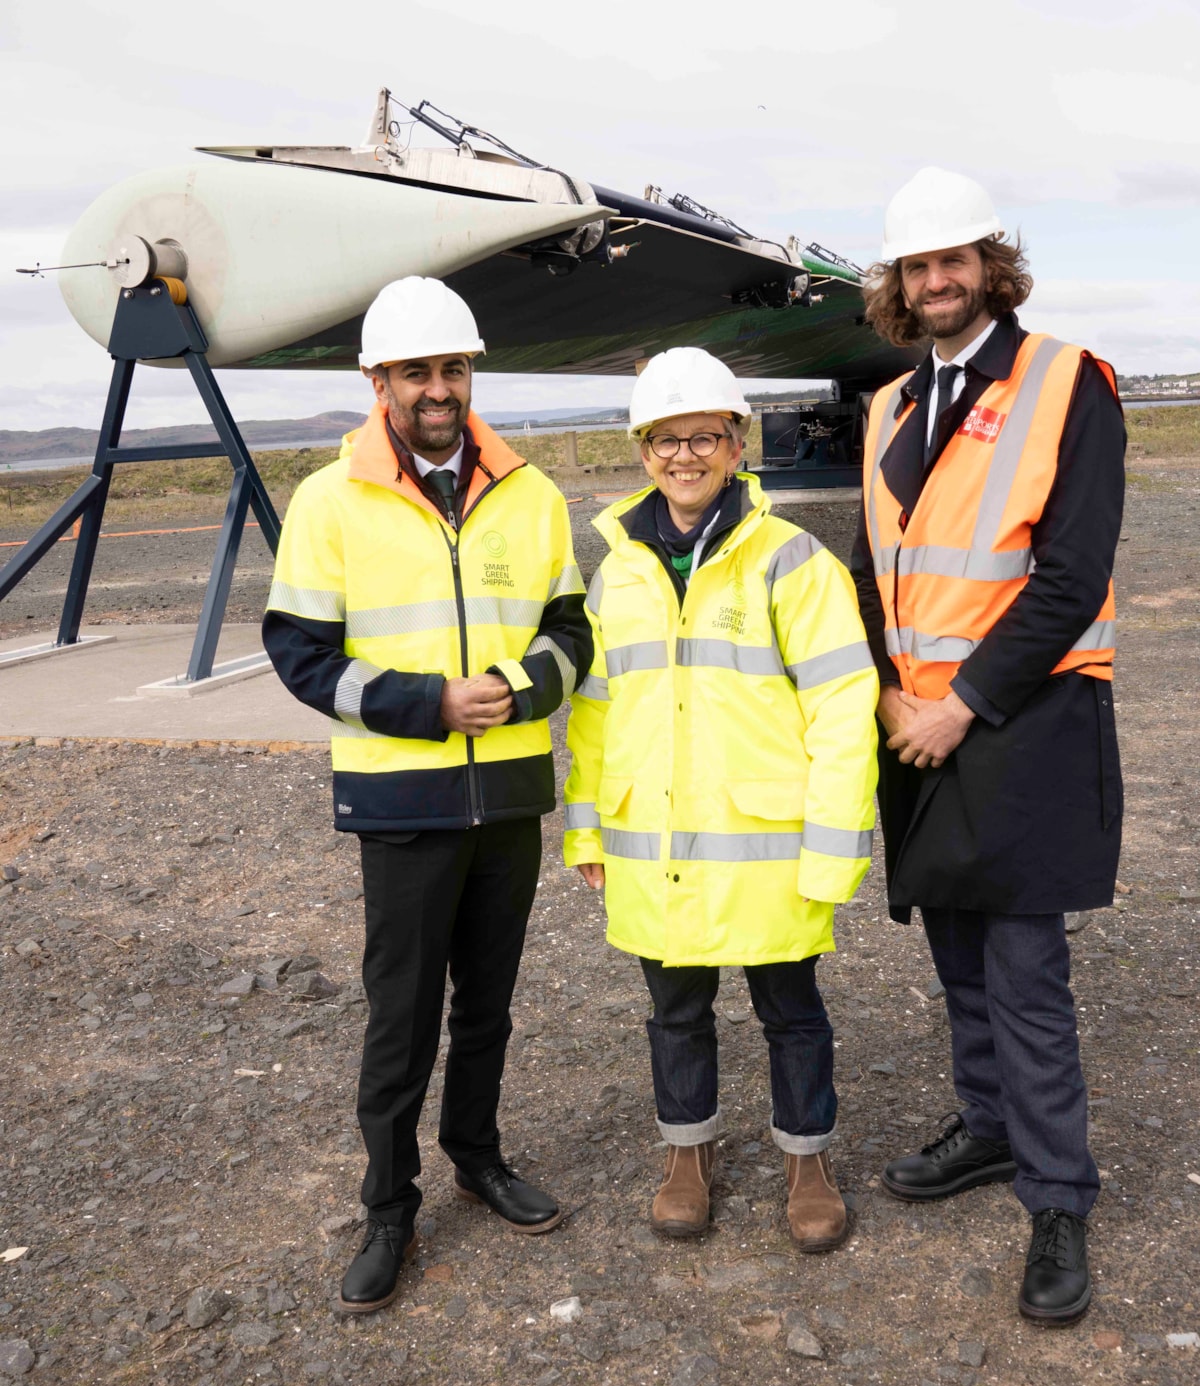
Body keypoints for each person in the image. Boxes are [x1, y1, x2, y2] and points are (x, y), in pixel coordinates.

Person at [263, 276, 593, 1314]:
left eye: (453, 368)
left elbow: (571, 632)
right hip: (400, 801)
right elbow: (299, 651)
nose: (438, 388)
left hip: (506, 798)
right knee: (401, 1015)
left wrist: (517, 688)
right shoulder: (328, 500)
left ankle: (477, 1154)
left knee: (487, 1003)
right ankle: (389, 1203)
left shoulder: (531, 492)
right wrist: (426, 702)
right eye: (417, 371)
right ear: (379, 381)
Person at [851, 167, 1125, 1324]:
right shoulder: (888, 407)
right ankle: (990, 1127)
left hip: (1018, 718)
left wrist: (958, 703)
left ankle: (1058, 1192)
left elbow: (1068, 578)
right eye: (919, 265)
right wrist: (883, 701)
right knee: (955, 950)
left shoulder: (1069, 383)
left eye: (956, 258)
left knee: (1023, 971)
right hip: (914, 729)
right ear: (901, 288)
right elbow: (878, 572)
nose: (940, 278)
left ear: (990, 265)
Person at [564, 348, 878, 1250]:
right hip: (653, 840)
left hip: (765, 844)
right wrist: (585, 821)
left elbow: (842, 703)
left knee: (792, 1010)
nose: (684, 455)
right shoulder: (617, 569)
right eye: (666, 438)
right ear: (643, 450)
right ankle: (686, 1155)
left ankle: (807, 1159)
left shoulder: (789, 561)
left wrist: (833, 844)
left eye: (704, 435)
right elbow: (595, 710)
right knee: (675, 1011)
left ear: (737, 443)